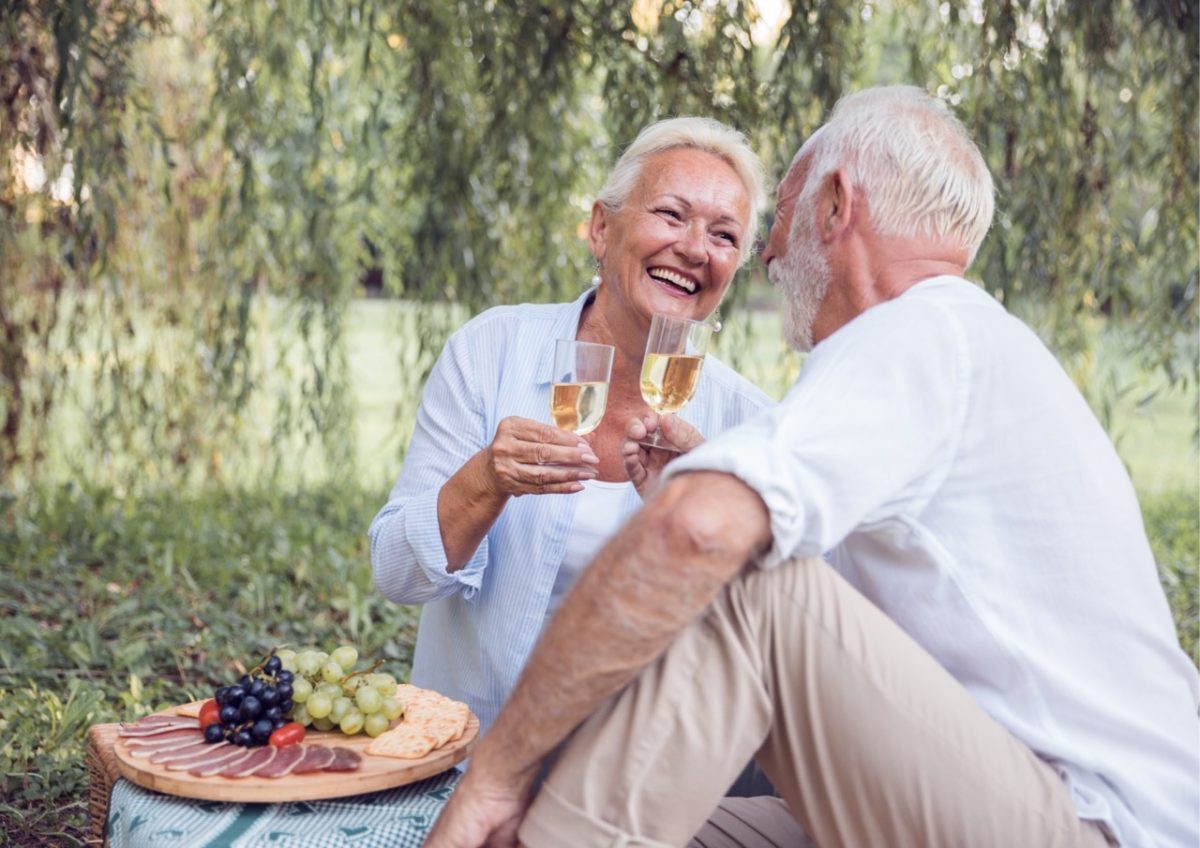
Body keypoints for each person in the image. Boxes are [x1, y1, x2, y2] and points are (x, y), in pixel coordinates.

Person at [425, 86, 1200, 848]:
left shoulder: (923, 332)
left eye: (776, 218)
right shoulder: (964, 341)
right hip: (968, 788)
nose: (766, 254)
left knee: (750, 585)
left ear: (833, 206)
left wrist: (496, 772)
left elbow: (698, 535)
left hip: (1093, 823)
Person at [368, 117, 774, 740]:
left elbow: (755, 650)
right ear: (602, 229)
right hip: (466, 756)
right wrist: (485, 481)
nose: (696, 248)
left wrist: (696, 520)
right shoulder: (490, 351)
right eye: (671, 214)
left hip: (628, 774)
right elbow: (397, 574)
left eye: (724, 235)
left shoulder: (747, 425)